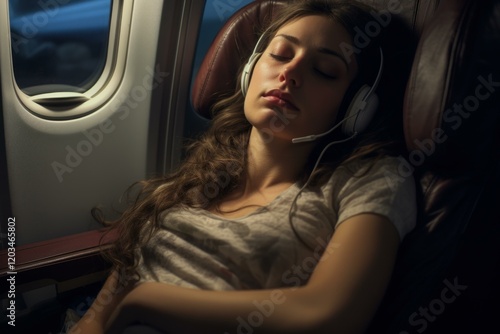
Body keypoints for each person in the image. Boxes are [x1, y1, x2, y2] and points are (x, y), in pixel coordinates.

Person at [70, 0, 416, 333]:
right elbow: (113, 294)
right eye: (280, 54)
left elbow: (330, 315)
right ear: (250, 69)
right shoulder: (210, 167)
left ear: (358, 106)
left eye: (325, 71)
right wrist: (93, 322)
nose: (290, 73)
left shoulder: (370, 179)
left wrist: (144, 301)